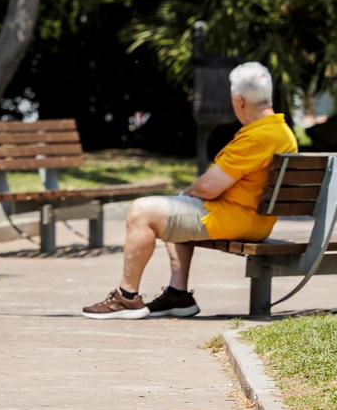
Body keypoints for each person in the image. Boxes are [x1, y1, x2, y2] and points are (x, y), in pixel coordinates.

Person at [82, 61, 297, 319]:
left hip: (237, 218)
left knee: (141, 211)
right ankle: (178, 295)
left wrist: (186, 194)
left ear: (240, 101)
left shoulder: (258, 136)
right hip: (255, 218)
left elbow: (208, 187)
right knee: (176, 207)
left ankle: (127, 297)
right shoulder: (282, 132)